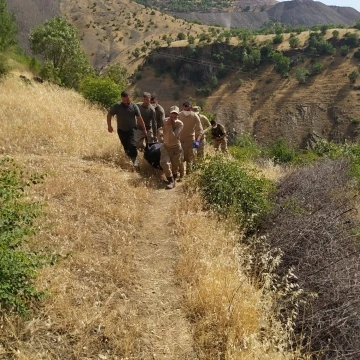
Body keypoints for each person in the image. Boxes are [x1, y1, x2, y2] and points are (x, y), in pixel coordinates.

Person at [107, 91, 147, 169]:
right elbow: (109, 115)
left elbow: (139, 118)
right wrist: (109, 126)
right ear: (121, 99)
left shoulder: (134, 106)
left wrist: (144, 129)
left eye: (127, 99)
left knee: (132, 145)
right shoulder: (117, 106)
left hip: (132, 130)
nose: (126, 102)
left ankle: (136, 164)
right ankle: (130, 160)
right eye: (124, 100)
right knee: (126, 148)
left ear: (130, 97)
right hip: (121, 130)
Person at [178, 101, 203, 180]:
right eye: (185, 106)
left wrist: (197, 142)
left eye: (188, 107)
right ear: (183, 107)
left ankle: (188, 177)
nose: (186, 108)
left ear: (191, 107)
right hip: (180, 140)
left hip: (190, 140)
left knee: (189, 159)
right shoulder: (179, 115)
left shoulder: (195, 116)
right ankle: (181, 175)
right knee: (180, 158)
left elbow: (200, 130)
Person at [160, 106, 184, 189]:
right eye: (172, 116)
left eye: (175, 116)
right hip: (166, 146)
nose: (173, 118)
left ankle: (173, 180)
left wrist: (170, 126)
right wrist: (161, 136)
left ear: (178, 116)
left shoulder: (180, 124)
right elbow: (161, 130)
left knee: (175, 165)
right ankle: (170, 180)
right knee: (165, 163)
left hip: (176, 147)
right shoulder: (165, 121)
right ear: (169, 114)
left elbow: (174, 136)